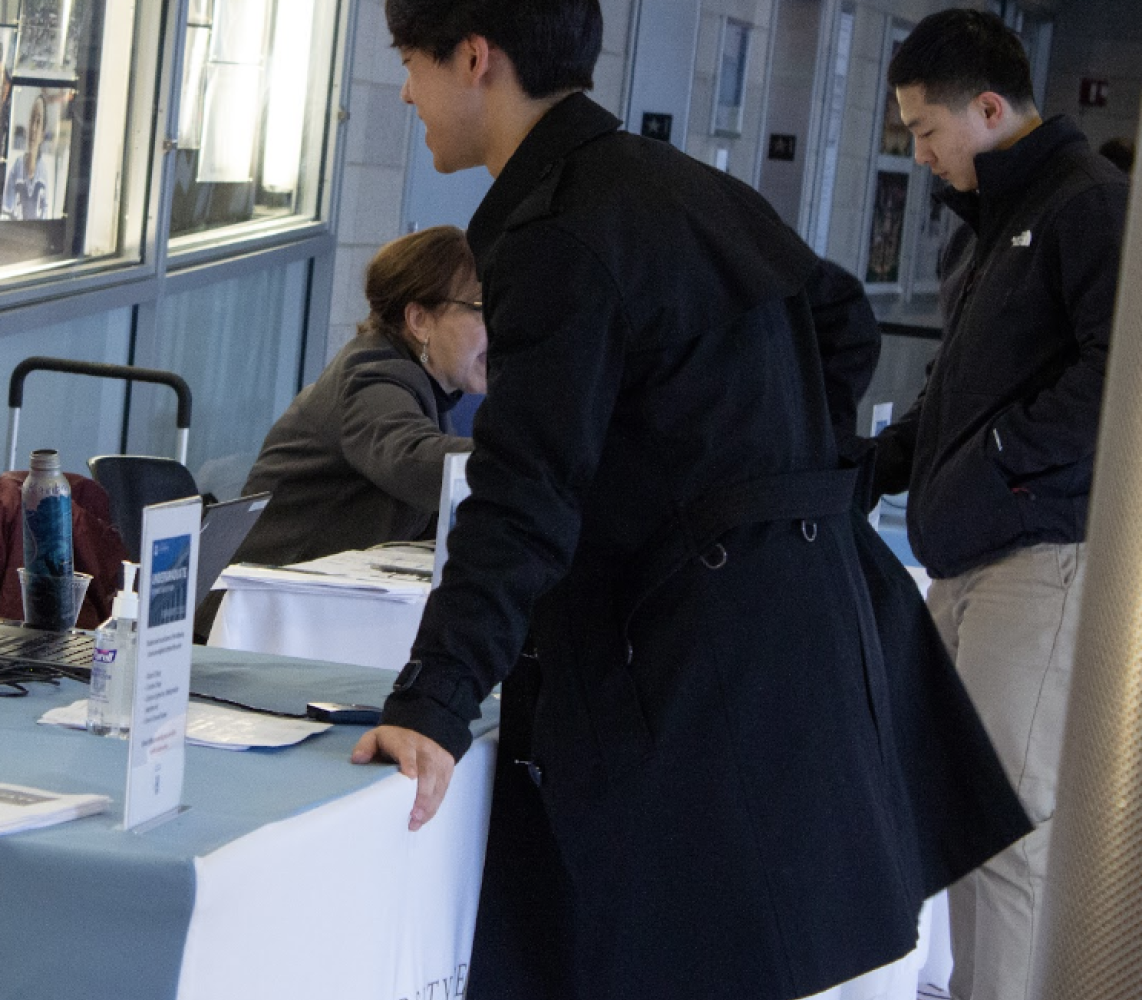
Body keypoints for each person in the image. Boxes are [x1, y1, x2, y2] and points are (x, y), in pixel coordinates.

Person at [347, 3, 1029, 999]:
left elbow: (521, 492)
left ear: (473, 59)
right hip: (790, 643)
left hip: (685, 678)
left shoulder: (557, 230)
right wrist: (755, 466)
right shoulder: (681, 186)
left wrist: (432, 702)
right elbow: (839, 320)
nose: (403, 91)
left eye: (408, 64)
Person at [876, 12, 1129, 1000]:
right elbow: (959, 386)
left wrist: (993, 461)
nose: (922, 157)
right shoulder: (983, 231)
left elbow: (1119, 379)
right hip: (967, 555)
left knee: (1009, 831)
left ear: (987, 109)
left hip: (1039, 558)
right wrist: (883, 458)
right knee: (965, 823)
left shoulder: (1085, 207)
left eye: (926, 132)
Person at [229, 225, 481, 570]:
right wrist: (529, 457)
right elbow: (411, 458)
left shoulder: (427, 389)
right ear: (420, 320)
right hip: (263, 609)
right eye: (483, 308)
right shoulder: (372, 378)